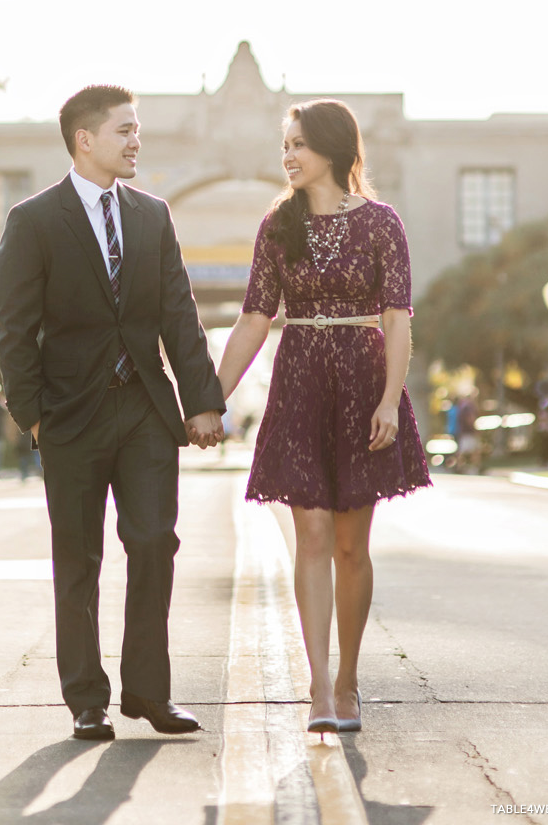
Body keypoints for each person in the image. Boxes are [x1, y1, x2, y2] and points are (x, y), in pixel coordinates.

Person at [0, 84, 225, 743]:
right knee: (79, 561)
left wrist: (202, 399)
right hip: (70, 418)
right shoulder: (34, 219)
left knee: (154, 542)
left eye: (138, 129)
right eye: (124, 130)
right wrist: (33, 416)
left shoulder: (153, 215)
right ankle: (86, 700)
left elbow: (180, 312)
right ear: (85, 139)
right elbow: (14, 329)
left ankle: (149, 694)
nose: (136, 141)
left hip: (147, 414)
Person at [216, 99, 430, 737]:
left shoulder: (381, 224)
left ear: (334, 149)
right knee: (309, 539)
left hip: (364, 386)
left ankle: (349, 681)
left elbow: (397, 317)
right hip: (302, 382)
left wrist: (391, 397)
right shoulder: (277, 226)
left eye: (300, 143)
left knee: (349, 545)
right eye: (285, 143)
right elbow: (255, 316)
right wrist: (209, 396)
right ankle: (317, 689)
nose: (288, 155)